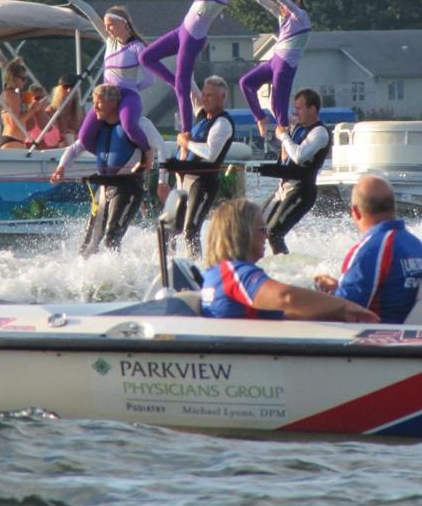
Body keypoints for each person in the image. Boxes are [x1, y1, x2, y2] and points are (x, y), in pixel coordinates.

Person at [199, 199, 378, 322]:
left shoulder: (216, 274)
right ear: (242, 234)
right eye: (262, 230)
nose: (267, 235)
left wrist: (332, 306)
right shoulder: (236, 274)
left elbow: (283, 312)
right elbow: (286, 298)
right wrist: (347, 307)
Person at [139, 0, 233, 138]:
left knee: (182, 83)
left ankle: (187, 131)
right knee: (146, 57)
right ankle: (179, 84)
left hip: (193, 40)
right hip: (181, 32)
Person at [51, 84, 161, 256]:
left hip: (128, 189)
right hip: (104, 190)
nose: (94, 109)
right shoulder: (99, 129)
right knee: (88, 244)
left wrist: (161, 179)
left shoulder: (140, 124)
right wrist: (61, 168)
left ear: (113, 104)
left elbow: (162, 148)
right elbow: (74, 149)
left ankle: (121, 279)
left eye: (98, 103)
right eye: (93, 103)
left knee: (112, 238)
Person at [314, 176, 422, 323]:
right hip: (410, 337)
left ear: (356, 212)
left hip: (378, 339)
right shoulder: (415, 245)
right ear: (393, 208)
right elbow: (390, 291)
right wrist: (338, 289)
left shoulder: (372, 249)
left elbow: (344, 311)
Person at [61, 0, 152, 156]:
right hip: (105, 96)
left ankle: (147, 153)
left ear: (123, 24)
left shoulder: (137, 47)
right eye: (106, 25)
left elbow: (150, 79)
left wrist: (131, 89)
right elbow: (90, 12)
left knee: (128, 125)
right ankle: (107, 155)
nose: (107, 29)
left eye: (110, 25)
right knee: (85, 137)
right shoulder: (110, 41)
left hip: (128, 96)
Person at [161, 75, 235, 258]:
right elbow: (188, 84)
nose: (205, 98)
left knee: (189, 231)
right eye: (204, 94)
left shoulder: (223, 123)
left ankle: (197, 268)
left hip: (202, 184)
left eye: (210, 95)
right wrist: (185, 59)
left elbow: (211, 154)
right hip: (183, 181)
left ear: (222, 97)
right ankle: (170, 265)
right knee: (169, 229)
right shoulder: (202, 115)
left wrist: (186, 144)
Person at [235, 0, 311, 139]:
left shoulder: (302, 17)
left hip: (286, 64)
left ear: (296, 3)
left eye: (286, 1)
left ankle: (284, 134)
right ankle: (260, 118)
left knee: (279, 103)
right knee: (245, 83)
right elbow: (264, 2)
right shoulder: (282, 16)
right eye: (281, 2)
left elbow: (291, 6)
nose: (281, 6)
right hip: (274, 61)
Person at [260, 88, 331, 254]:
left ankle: (287, 271)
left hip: (302, 191)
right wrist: (275, 83)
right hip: (283, 188)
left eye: (299, 108)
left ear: (312, 109)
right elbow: (275, 108)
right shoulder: (296, 125)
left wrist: (284, 136)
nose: (296, 112)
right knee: (256, 228)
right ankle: (258, 266)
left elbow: (299, 156)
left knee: (274, 233)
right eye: (295, 108)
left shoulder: (320, 133)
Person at [0, 58, 48, 148]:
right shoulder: (13, 95)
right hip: (13, 140)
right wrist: (32, 110)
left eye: (26, 79)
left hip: (11, 139)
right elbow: (16, 122)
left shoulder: (6, 93)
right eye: (22, 78)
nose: (25, 81)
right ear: (13, 77)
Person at [49, 75, 84, 146]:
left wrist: (75, 135)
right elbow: (52, 136)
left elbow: (87, 132)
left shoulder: (81, 110)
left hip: (76, 149)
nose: (69, 90)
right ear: (58, 90)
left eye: (73, 87)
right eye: (65, 87)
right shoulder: (51, 110)